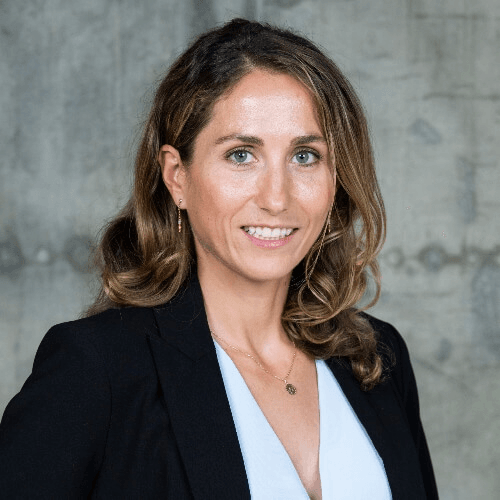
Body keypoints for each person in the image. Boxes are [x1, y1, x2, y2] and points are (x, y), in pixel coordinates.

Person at [0, 17, 438, 499]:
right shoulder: (98, 369)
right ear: (177, 177)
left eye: (306, 156)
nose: (277, 198)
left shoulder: (375, 356)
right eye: (241, 155)